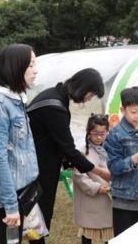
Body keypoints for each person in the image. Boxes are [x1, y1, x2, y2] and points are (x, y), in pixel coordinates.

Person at [27, 68, 111, 244]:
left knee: (38, 216)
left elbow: (56, 141)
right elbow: (69, 149)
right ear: (83, 87)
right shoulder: (55, 106)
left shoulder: (54, 96)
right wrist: (100, 172)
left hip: (38, 163)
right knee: (38, 217)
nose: (89, 99)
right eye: (91, 94)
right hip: (38, 168)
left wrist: (67, 161)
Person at [0, 43, 39, 244]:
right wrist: (11, 205)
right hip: (1, 197)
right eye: (30, 65)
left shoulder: (15, 98)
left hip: (16, 189)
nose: (36, 70)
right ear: (15, 68)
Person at [104, 86, 138, 237]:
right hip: (124, 202)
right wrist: (136, 159)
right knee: (125, 238)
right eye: (134, 112)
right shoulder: (115, 135)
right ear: (123, 110)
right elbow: (114, 167)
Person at [73, 114, 113, 244]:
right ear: (88, 133)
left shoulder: (110, 150)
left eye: (103, 133)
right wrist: (97, 187)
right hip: (91, 199)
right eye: (95, 133)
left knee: (109, 232)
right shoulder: (82, 152)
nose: (99, 137)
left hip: (109, 198)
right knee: (88, 233)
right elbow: (80, 177)